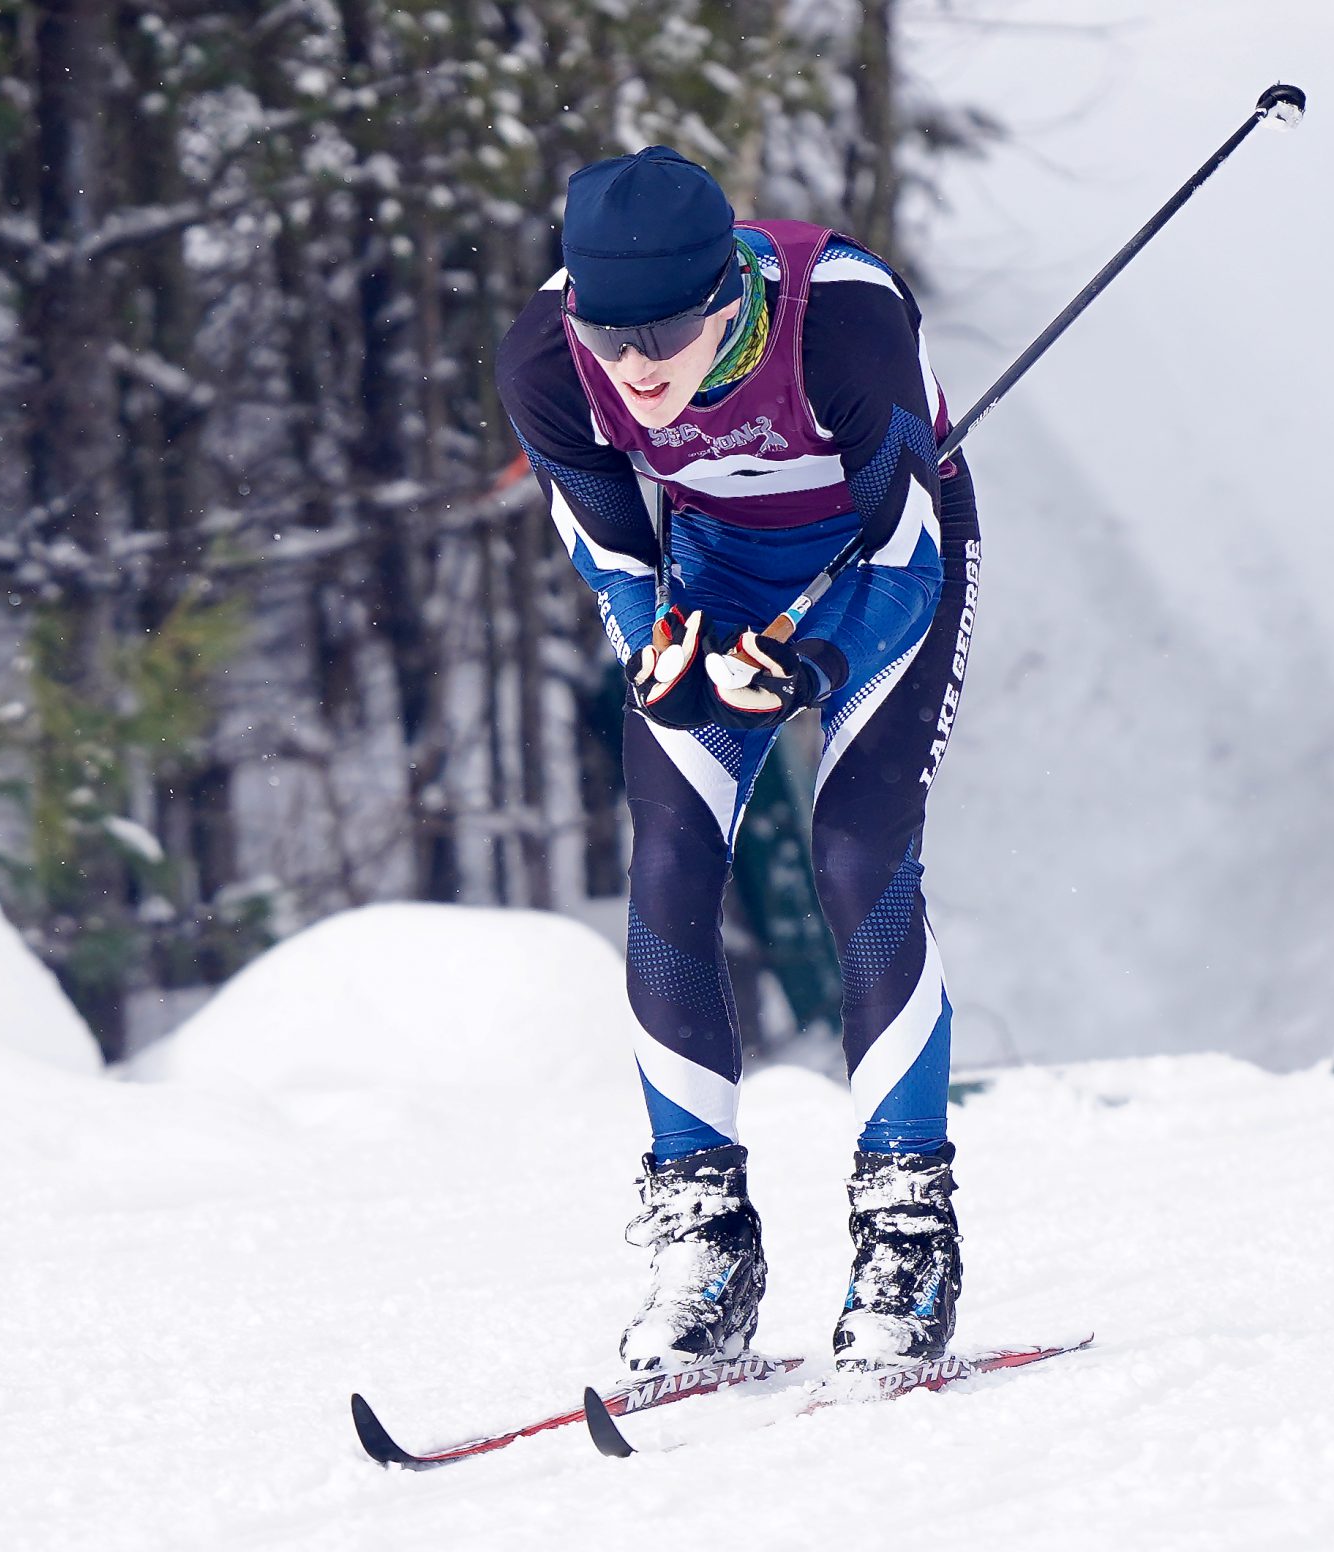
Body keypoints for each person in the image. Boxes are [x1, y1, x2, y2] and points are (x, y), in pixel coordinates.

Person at [495, 146, 979, 1372]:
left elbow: (906, 562)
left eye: (666, 331)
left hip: (879, 573)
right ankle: (702, 1236)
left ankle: (906, 1235)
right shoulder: (550, 363)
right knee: (667, 866)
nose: (638, 367)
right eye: (610, 335)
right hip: (715, 576)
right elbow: (609, 551)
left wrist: (812, 666)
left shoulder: (845, 324)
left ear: (729, 296)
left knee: (858, 854)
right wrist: (657, 639)